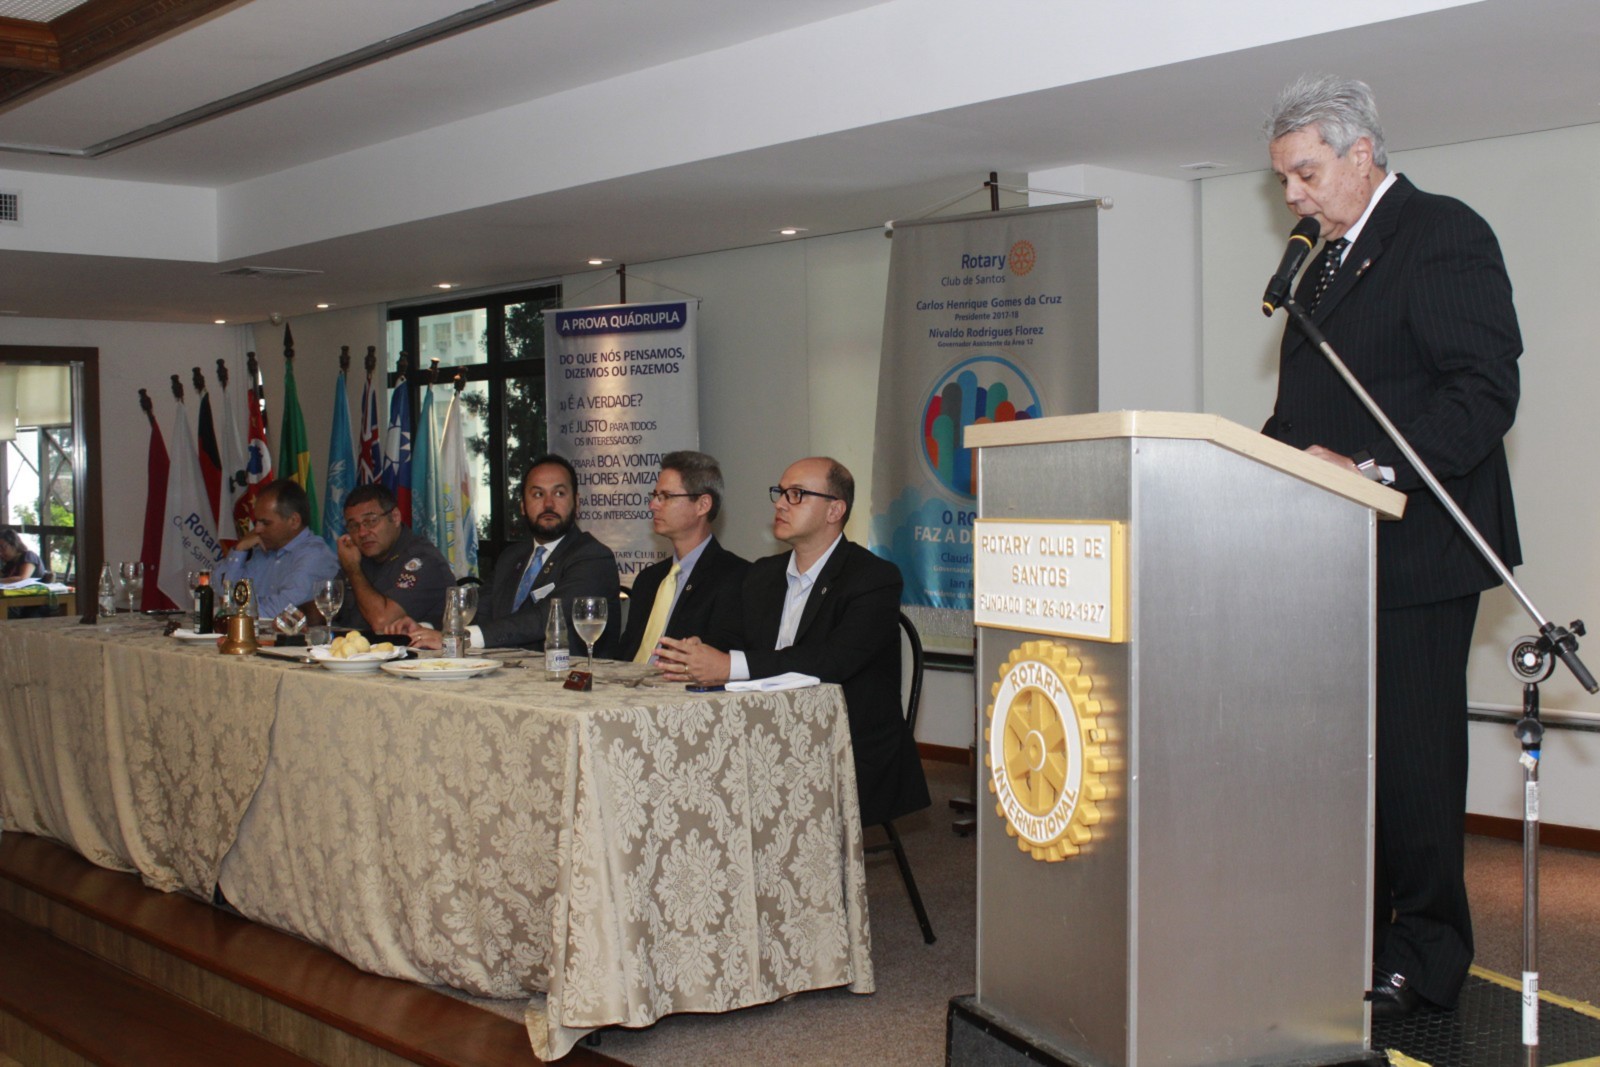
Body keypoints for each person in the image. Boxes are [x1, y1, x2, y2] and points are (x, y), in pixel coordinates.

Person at [1261, 75, 1522, 1019]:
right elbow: (1302, 415)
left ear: (1362, 154)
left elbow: (1482, 392)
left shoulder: (1442, 232)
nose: (1293, 194)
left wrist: (1373, 469)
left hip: (1416, 552)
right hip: (1329, 557)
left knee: (1412, 766)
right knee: (1340, 766)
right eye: (1284, 179)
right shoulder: (1319, 266)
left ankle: (1429, 952)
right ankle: (1355, 938)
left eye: (1305, 172)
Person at [655, 456, 930, 827]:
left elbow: (832, 661)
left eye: (797, 494)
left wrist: (729, 665)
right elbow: (733, 642)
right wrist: (700, 651)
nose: (781, 504)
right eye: (781, 492)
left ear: (835, 510)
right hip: (761, 733)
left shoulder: (873, 578)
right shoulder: (762, 575)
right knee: (682, 771)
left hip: (846, 744)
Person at [403, 454, 620, 655]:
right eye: (538, 494)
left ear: (577, 502)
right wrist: (422, 627)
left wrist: (460, 638)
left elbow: (544, 618)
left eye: (559, 493)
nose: (548, 504)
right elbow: (478, 610)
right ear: (523, 506)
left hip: (570, 677)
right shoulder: (512, 556)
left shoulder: (593, 557)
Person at [617, 450, 748, 663]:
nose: (653, 505)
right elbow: (625, 654)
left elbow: (725, 655)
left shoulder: (736, 578)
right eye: (655, 495)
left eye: (666, 497)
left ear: (703, 505)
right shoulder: (648, 579)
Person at [212, 478, 340, 618]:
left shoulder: (315, 556)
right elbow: (222, 592)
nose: (257, 529)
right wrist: (240, 549)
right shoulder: (263, 550)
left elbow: (280, 611)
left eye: (265, 523)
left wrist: (235, 608)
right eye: (257, 522)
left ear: (294, 521)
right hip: (249, 630)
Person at [335, 484, 455, 631]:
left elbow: (382, 623)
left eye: (371, 521)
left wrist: (353, 570)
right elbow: (325, 611)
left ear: (395, 517)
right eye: (354, 526)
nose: (362, 533)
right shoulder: (358, 555)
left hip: (413, 646)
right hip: (353, 644)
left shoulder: (423, 559)